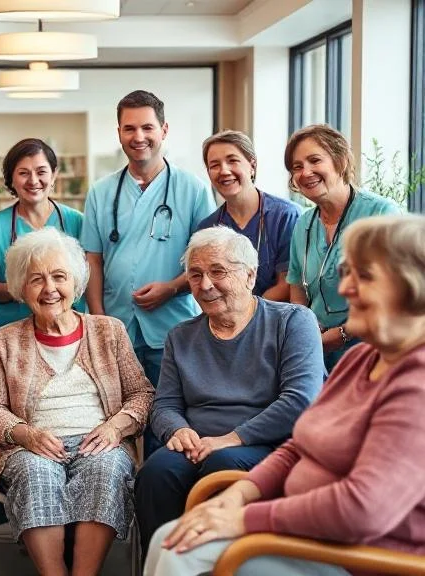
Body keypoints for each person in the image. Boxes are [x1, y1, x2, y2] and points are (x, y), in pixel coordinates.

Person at [144, 214, 425, 576]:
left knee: (180, 548)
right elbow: (300, 444)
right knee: (169, 537)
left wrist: (245, 519)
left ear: (412, 288)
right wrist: (237, 495)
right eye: (347, 274)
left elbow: (363, 510)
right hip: (312, 536)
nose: (344, 290)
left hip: (360, 556)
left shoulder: (415, 381)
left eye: (364, 276)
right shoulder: (361, 358)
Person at [135, 226, 324, 556]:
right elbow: (164, 403)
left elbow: (300, 400)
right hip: (198, 444)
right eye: (195, 275)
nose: (205, 285)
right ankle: (166, 564)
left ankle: (227, 564)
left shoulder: (294, 321)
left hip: (269, 445)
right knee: (156, 473)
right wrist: (177, 430)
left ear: (250, 276)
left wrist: (232, 438)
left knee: (224, 464)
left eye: (217, 271)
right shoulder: (180, 336)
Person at [0, 228, 154, 576]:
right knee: (35, 473)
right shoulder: (4, 340)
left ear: (75, 282)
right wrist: (27, 434)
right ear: (20, 287)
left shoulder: (109, 331)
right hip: (31, 448)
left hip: (99, 441)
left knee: (104, 470)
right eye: (36, 279)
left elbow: (142, 393)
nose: (49, 289)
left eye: (59, 277)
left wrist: (114, 428)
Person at [79, 90, 215, 453]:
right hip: (115, 323)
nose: (138, 137)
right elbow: (92, 259)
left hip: (172, 325)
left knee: (165, 415)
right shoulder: (101, 192)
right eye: (129, 129)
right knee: (109, 419)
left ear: (164, 129)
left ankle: (155, 495)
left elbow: (206, 263)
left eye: (147, 127)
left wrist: (171, 288)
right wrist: (99, 319)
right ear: (119, 132)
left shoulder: (193, 189)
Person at [286, 124, 402, 371]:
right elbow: (297, 288)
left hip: (371, 348)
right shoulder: (303, 223)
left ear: (339, 161)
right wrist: (305, 328)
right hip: (317, 351)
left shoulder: (380, 213)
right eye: (297, 167)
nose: (305, 172)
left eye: (314, 160)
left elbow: (393, 293)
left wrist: (341, 334)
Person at [0, 138, 85, 331]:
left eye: (41, 172)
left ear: (54, 175)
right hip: (9, 330)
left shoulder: (77, 222)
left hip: (65, 330)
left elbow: (88, 278)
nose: (33, 180)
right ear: (11, 179)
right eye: (23, 173)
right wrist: (28, 289)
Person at [196, 130, 300, 301]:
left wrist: (247, 314)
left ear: (252, 166)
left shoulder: (285, 216)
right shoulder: (208, 228)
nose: (224, 170)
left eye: (233, 161)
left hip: (276, 319)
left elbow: (287, 284)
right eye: (214, 165)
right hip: (226, 321)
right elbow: (208, 286)